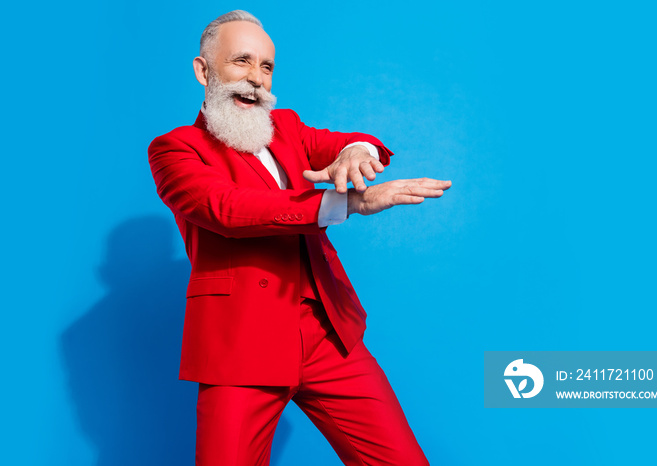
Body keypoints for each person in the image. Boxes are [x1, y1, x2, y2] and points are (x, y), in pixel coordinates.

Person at [148, 10, 451, 466]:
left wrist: (355, 153)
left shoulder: (285, 128)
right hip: (240, 347)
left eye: (266, 67)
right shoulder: (176, 149)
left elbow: (352, 143)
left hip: (327, 334)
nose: (255, 79)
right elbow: (227, 210)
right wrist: (343, 204)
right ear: (203, 70)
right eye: (241, 61)